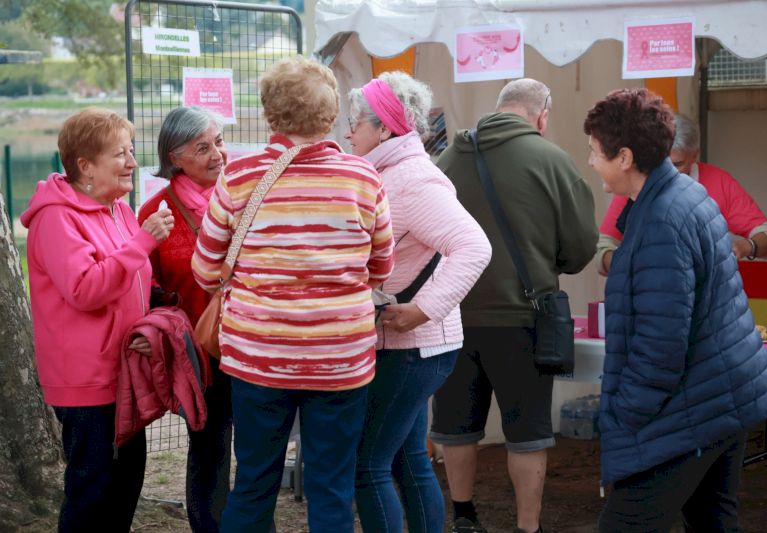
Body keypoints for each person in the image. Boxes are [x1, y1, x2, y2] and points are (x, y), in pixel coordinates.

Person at [191, 55, 395, 533]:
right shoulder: (363, 178)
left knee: (253, 484)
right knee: (332, 488)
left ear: (270, 112)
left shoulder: (238, 177)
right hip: (340, 357)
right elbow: (381, 267)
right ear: (332, 114)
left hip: (258, 356)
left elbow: (204, 270)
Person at [583, 88, 767, 532]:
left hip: (690, 410)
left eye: (595, 151)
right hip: (720, 397)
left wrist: (623, 416)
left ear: (625, 157)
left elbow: (660, 346)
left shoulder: (662, 221)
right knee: (713, 523)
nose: (591, 161)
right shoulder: (683, 196)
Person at [430, 78, 598, 533]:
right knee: (527, 435)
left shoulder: (449, 159)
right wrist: (546, 263)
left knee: (456, 428)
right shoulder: (552, 160)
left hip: (453, 315)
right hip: (524, 317)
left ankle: (464, 517)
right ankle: (528, 527)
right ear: (542, 115)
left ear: (500, 108)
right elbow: (581, 247)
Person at [345, 72, 492, 533]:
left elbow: (474, 247)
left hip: (414, 346)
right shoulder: (394, 171)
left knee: (367, 464)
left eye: (356, 122)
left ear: (384, 129)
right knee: (407, 459)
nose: (348, 133)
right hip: (412, 345)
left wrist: (424, 309)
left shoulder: (412, 179)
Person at [20, 107, 174, 532]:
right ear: (85, 165)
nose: (132, 162)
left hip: (124, 372)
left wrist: (151, 321)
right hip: (86, 382)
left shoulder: (117, 209)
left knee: (125, 486)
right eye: (120, 154)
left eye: (131, 151)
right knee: (93, 494)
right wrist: (143, 241)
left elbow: (133, 280)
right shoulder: (56, 217)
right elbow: (86, 289)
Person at [137, 106, 232, 533]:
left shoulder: (242, 199)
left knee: (257, 449)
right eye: (203, 147)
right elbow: (143, 285)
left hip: (249, 342)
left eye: (219, 141)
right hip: (198, 352)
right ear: (175, 157)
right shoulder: (156, 213)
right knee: (210, 449)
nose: (218, 154)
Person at [596, 112, 767, 275]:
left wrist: (747, 246)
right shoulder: (635, 182)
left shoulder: (718, 182)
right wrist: (628, 265)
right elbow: (603, 249)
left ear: (694, 155)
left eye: (677, 164)